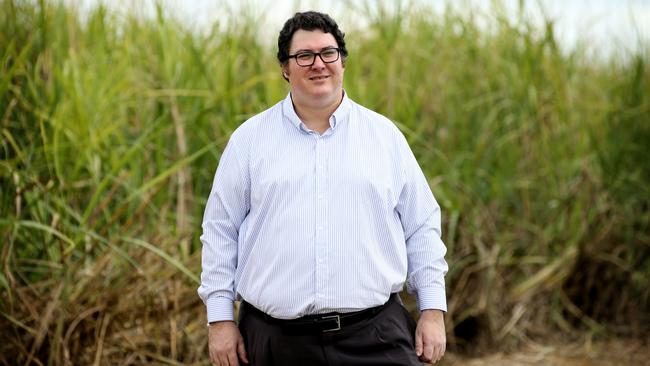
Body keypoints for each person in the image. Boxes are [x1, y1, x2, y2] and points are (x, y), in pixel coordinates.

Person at [198, 11, 449, 366]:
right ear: (285, 67)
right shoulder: (249, 141)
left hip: (376, 336)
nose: (319, 64)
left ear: (342, 61)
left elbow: (421, 225)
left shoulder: (384, 137)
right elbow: (220, 231)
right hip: (275, 342)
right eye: (304, 56)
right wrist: (220, 319)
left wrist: (432, 309)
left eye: (328, 53)